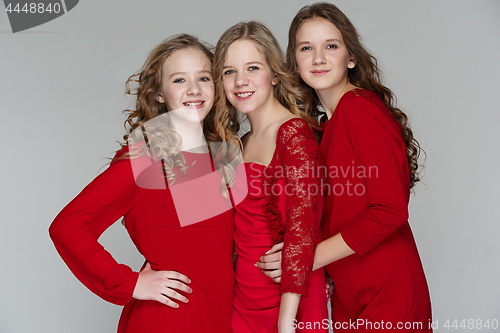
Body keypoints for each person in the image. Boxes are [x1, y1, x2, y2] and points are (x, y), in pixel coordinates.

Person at [49, 34, 237, 333]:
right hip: (170, 321)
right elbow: (68, 226)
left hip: (218, 319)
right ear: (159, 93)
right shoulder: (145, 158)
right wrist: (131, 282)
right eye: (178, 80)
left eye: (203, 77)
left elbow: (213, 251)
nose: (193, 89)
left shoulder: (223, 156)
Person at [283, 2, 433, 331]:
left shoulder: (359, 110)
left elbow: (390, 210)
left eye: (331, 46)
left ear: (351, 58)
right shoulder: (323, 127)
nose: (318, 58)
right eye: (306, 48)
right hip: (349, 294)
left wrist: (305, 261)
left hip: (386, 292)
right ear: (295, 62)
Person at [213, 21, 328, 333]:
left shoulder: (294, 133)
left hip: (288, 301)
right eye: (228, 71)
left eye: (252, 68)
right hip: (243, 297)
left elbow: (304, 228)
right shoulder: (239, 142)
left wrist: (286, 324)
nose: (240, 81)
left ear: (275, 74)